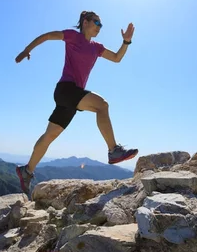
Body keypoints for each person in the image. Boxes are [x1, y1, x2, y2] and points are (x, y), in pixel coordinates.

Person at [14, 10, 138, 197]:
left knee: (49, 135)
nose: (100, 28)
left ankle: (27, 171)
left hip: (70, 97)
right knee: (102, 105)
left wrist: (126, 41)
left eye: (101, 25)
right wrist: (27, 49)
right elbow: (48, 36)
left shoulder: (96, 47)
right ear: (86, 22)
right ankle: (114, 150)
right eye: (97, 23)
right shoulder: (73, 36)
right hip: (66, 89)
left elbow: (117, 58)